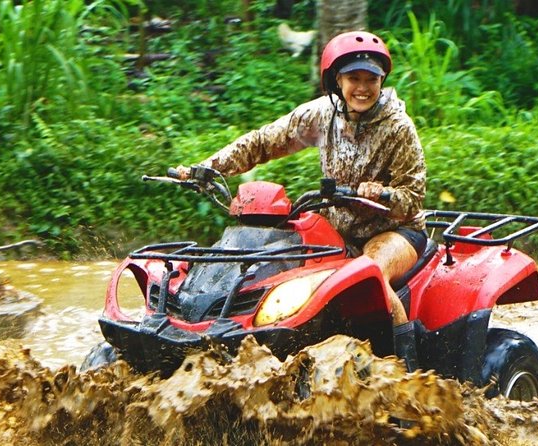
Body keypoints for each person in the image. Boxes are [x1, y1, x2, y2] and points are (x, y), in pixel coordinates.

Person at [174, 31, 426, 370]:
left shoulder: (398, 126)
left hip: (394, 232)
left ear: (382, 81)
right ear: (338, 80)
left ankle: (408, 375)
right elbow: (264, 142)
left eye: (371, 79)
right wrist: (207, 168)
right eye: (354, 78)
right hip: (336, 231)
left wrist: (380, 193)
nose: (363, 88)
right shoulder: (322, 115)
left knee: (371, 274)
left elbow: (412, 198)